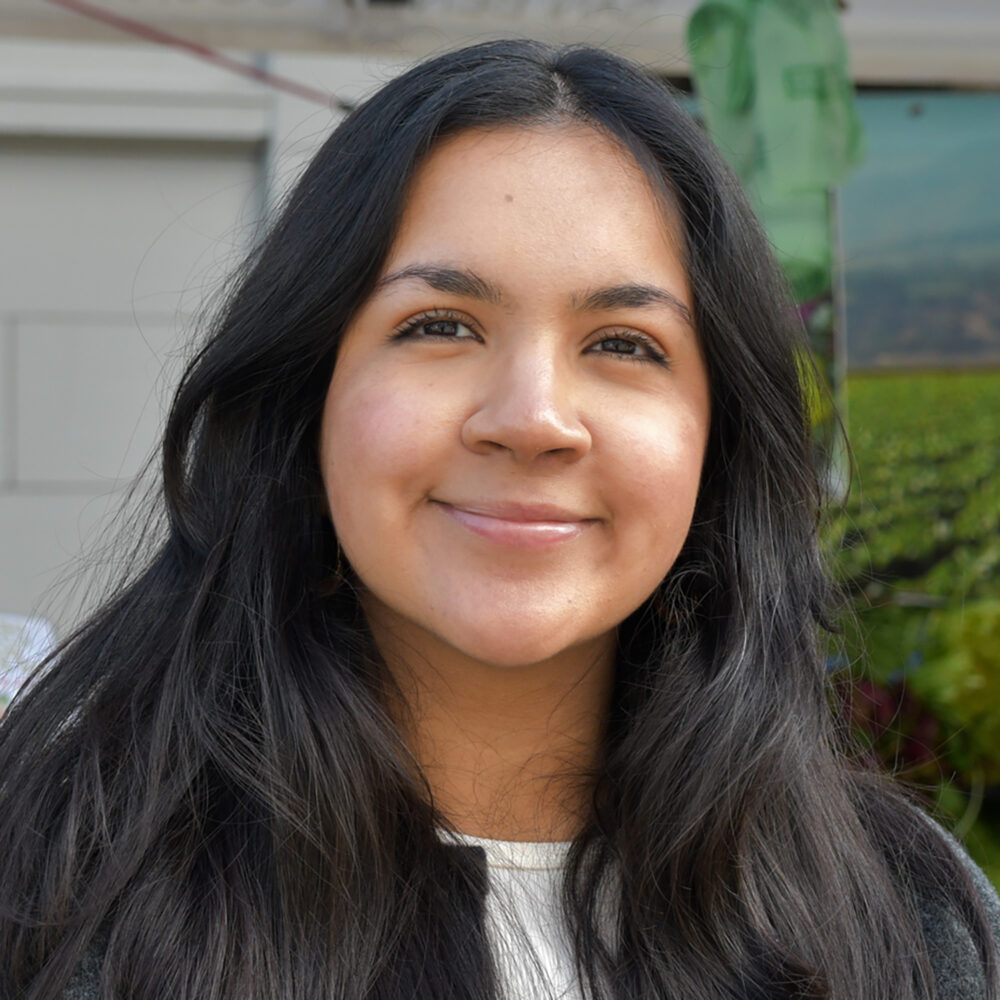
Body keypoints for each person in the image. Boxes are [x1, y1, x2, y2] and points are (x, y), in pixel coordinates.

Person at [0, 39, 997, 1000]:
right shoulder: (57, 891)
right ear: (307, 398)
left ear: (716, 438)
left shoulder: (906, 919)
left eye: (622, 342)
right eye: (440, 326)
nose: (531, 418)